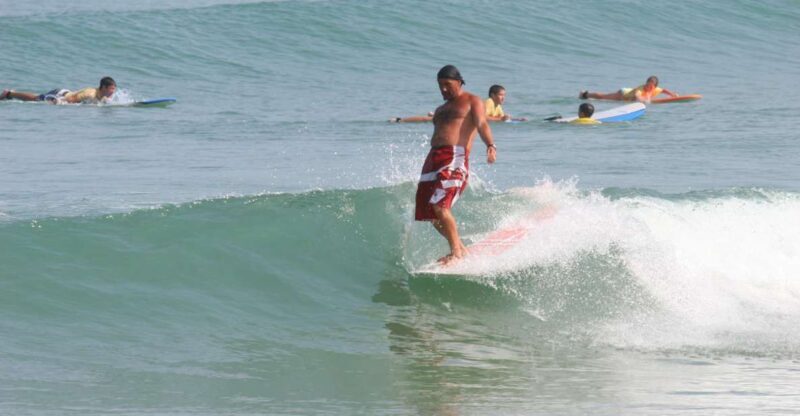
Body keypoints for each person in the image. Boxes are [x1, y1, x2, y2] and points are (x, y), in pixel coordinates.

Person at [415, 65, 497, 265]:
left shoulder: (472, 100)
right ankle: (460, 247)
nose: (443, 89)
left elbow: (481, 123)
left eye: (447, 84)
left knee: (440, 205)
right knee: (430, 213)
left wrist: (490, 145)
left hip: (454, 157)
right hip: (433, 158)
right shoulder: (440, 109)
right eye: (440, 85)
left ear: (459, 82)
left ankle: (456, 253)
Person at [389, 84, 525, 123]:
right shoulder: (489, 102)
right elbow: (484, 118)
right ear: (493, 95)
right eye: (501, 95)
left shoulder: (498, 106)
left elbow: (499, 118)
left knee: (432, 118)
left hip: (463, 117)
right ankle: (400, 120)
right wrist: (500, 119)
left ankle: (435, 113)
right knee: (428, 119)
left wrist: (517, 119)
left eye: (504, 95)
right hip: (461, 114)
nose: (503, 98)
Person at [1, 77, 117, 105]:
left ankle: (11, 93)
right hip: (59, 94)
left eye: (114, 88)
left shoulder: (104, 94)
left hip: (66, 93)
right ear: (104, 87)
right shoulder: (90, 93)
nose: (113, 91)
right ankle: (9, 93)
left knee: (36, 97)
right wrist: (58, 102)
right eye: (111, 88)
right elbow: (71, 99)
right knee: (36, 98)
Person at [579, 75, 677, 103]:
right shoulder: (641, 89)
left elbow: (664, 90)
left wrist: (672, 94)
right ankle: (585, 94)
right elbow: (637, 96)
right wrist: (645, 100)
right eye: (647, 84)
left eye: (651, 86)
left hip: (626, 95)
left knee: (603, 97)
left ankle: (586, 94)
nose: (648, 87)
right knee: (603, 97)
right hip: (623, 94)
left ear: (654, 87)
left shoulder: (656, 89)